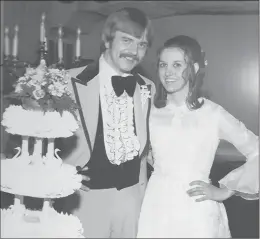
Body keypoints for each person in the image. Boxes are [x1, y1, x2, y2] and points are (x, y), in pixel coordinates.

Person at [137, 35, 259, 238]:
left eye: (177, 65)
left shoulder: (213, 113)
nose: (168, 72)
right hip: (155, 207)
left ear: (193, 69)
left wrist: (224, 191)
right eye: (163, 65)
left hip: (196, 210)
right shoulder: (149, 112)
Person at [56, 7, 156, 238]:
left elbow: (150, 145)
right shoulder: (67, 82)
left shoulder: (147, 87)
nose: (134, 51)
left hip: (133, 200)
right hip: (85, 200)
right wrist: (61, 174)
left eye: (141, 44)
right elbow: (34, 138)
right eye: (126, 40)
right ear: (107, 40)